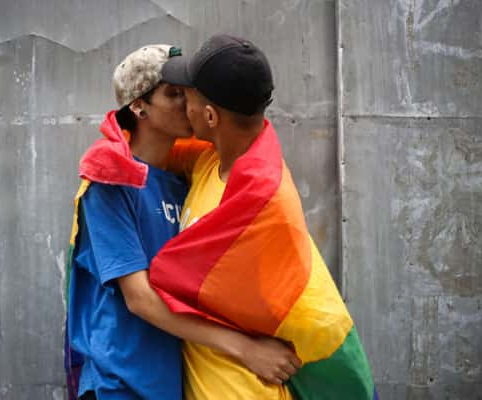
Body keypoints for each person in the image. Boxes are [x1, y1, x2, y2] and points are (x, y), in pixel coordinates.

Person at [65, 44, 301, 400]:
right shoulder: (111, 184)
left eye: (188, 93)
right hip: (119, 384)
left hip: (170, 384)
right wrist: (245, 348)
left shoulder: (187, 182)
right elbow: (140, 299)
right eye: (173, 94)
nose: (187, 103)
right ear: (139, 107)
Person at [150, 34, 377, 399]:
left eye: (186, 97)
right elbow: (145, 149)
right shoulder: (208, 162)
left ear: (209, 116)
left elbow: (305, 309)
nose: (182, 107)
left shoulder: (264, 208)